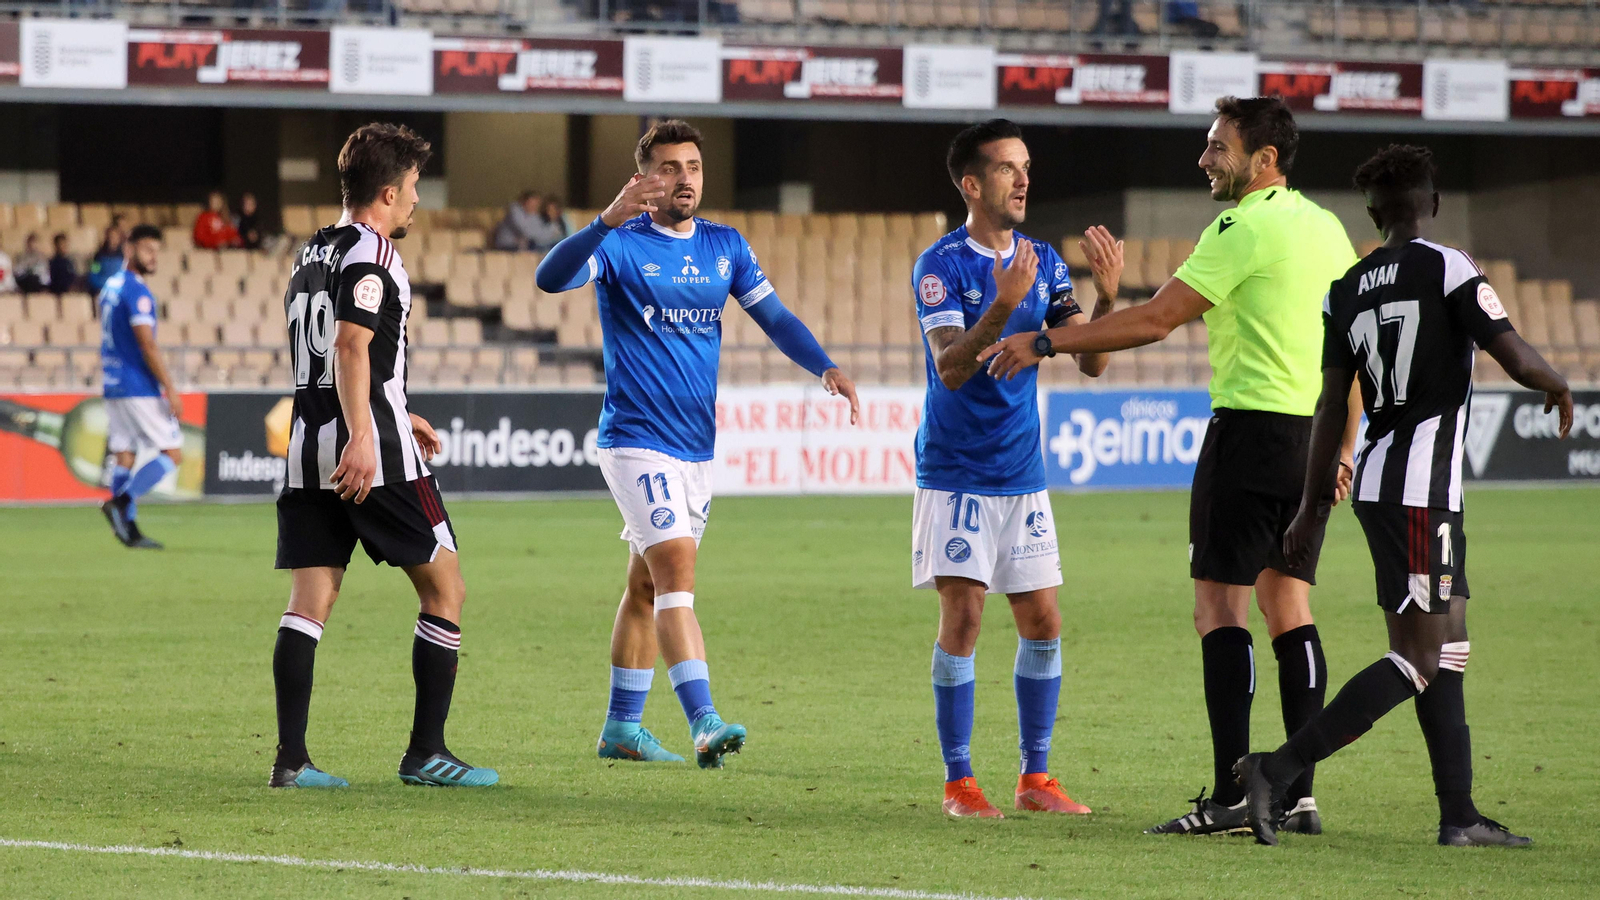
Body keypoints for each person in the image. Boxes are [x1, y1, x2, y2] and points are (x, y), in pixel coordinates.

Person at [981, 96, 1360, 836]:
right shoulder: (1327, 229)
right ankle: (1298, 793)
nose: (1203, 159)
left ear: (1264, 161)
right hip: (1312, 440)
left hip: (1250, 436)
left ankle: (1228, 796)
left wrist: (1050, 342)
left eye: (1218, 147)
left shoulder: (1240, 226)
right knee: (1291, 608)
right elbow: (1352, 355)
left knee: (1221, 611)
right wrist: (1343, 449)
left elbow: (1158, 319)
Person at [1233, 145, 1572, 848]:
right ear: (1433, 204)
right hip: (1419, 489)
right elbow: (1511, 353)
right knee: (1418, 656)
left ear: (1372, 212)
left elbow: (1332, 406)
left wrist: (1310, 507)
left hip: (1391, 479)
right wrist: (1558, 382)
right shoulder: (1448, 265)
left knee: (1447, 647)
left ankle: (1460, 816)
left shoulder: (1347, 286)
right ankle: (1276, 768)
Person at [535, 119, 860, 768]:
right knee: (677, 574)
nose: (685, 178)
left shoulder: (725, 246)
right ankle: (704, 719)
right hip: (636, 441)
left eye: (693, 166)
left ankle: (621, 729)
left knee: (646, 588)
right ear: (644, 177)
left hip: (694, 450)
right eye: (670, 167)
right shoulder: (622, 246)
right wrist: (602, 221)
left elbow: (775, 318)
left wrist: (824, 365)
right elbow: (550, 278)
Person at [269, 123, 497, 790]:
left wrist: (394, 402)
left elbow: (336, 356)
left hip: (307, 447)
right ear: (389, 192)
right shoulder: (374, 253)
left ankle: (291, 761)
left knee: (308, 602)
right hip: (371, 452)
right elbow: (347, 346)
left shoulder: (311, 252)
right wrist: (368, 430)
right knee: (445, 585)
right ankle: (426, 753)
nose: (418, 201)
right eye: (416, 188)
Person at [912, 119, 1119, 819]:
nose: (1024, 179)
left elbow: (1089, 361)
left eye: (1026, 166)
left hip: (1022, 473)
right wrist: (1003, 304)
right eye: (1007, 168)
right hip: (957, 471)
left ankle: (1036, 780)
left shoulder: (1045, 259)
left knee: (1043, 619)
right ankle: (959, 783)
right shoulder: (940, 264)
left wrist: (1108, 300)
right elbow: (950, 368)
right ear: (972, 184)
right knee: (964, 616)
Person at [98, 225, 182, 551]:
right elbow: (147, 344)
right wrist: (170, 389)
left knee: (124, 455)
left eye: (156, 250)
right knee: (173, 452)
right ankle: (122, 502)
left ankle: (128, 530)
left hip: (113, 383)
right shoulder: (136, 290)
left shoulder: (110, 286)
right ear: (130, 249)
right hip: (137, 385)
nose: (153, 256)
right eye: (147, 249)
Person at [87, 224, 126, 294]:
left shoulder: (124, 256)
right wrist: (103, 286)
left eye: (115, 237)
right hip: (103, 290)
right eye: (111, 236)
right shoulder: (98, 256)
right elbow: (94, 275)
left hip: (121, 291)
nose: (113, 239)